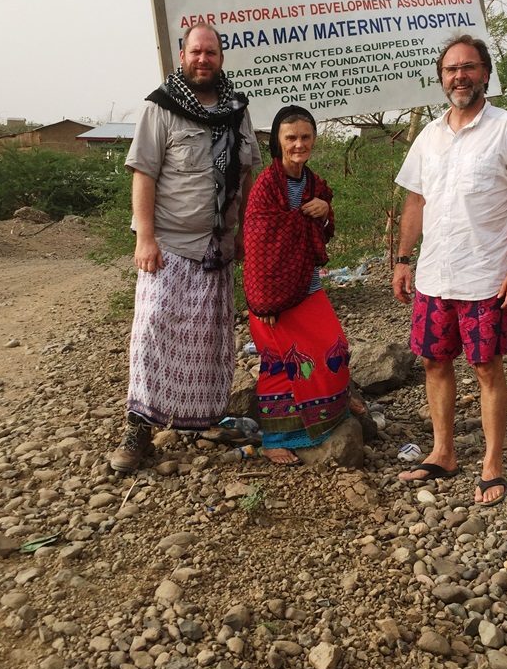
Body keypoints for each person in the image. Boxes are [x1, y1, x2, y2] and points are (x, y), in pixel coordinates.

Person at [391, 34, 507, 506]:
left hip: (486, 277)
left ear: (485, 73)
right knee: (434, 362)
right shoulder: (430, 134)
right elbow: (415, 199)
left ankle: (492, 464)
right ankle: (443, 453)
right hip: (435, 274)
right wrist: (402, 259)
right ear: (441, 78)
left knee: (486, 367)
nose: (459, 76)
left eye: (468, 67)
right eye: (450, 69)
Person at [109, 24, 262, 473]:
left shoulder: (238, 109)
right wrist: (145, 237)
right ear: (183, 56)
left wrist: (245, 236)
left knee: (209, 343)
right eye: (196, 51)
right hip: (170, 245)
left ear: (221, 57)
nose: (203, 59)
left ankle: (203, 421)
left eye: (210, 52)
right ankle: (137, 432)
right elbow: (144, 173)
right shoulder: (161, 108)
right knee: (153, 334)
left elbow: (249, 175)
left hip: (218, 248)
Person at [242, 105, 351, 466]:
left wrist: (325, 210)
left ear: (314, 140)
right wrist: (265, 304)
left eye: (305, 137)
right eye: (291, 138)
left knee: (334, 345)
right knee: (282, 362)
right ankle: (275, 438)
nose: (299, 144)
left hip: (306, 285)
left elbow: (318, 231)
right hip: (272, 296)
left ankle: (323, 421)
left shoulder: (314, 184)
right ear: (278, 141)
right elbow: (259, 247)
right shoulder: (265, 187)